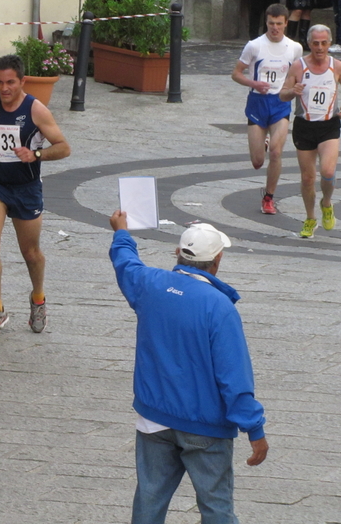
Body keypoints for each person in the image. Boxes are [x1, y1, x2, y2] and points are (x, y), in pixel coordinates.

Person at [108, 213, 268, 524]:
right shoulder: (218, 307)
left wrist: (122, 232)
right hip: (204, 426)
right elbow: (234, 378)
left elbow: (126, 263)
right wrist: (255, 429)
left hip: (153, 419)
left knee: (149, 501)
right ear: (217, 260)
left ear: (177, 254)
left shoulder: (150, 286)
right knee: (216, 508)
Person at [0, 54, 70, 338]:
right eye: (0, 82)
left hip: (26, 188)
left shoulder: (37, 110)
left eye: (10, 82)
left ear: (22, 81)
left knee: (31, 253)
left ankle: (38, 299)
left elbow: (64, 147)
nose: (4, 88)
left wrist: (35, 154)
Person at [232, 3, 302, 215]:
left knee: (276, 151)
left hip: (280, 103)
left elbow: (299, 76)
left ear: (286, 24)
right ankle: (261, 143)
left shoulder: (294, 48)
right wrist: (254, 84)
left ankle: (269, 197)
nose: (275, 28)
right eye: (271, 23)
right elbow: (236, 73)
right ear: (266, 22)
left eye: (279, 24)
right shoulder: (254, 46)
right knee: (257, 161)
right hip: (257, 103)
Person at [279, 24, 341, 237]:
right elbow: (282, 94)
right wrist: (292, 91)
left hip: (328, 125)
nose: (320, 47)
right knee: (308, 178)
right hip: (304, 126)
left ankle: (326, 203)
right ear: (309, 44)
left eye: (324, 43)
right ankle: (310, 218)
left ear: (329, 43)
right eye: (315, 43)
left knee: (327, 171)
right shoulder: (298, 67)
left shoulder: (337, 66)